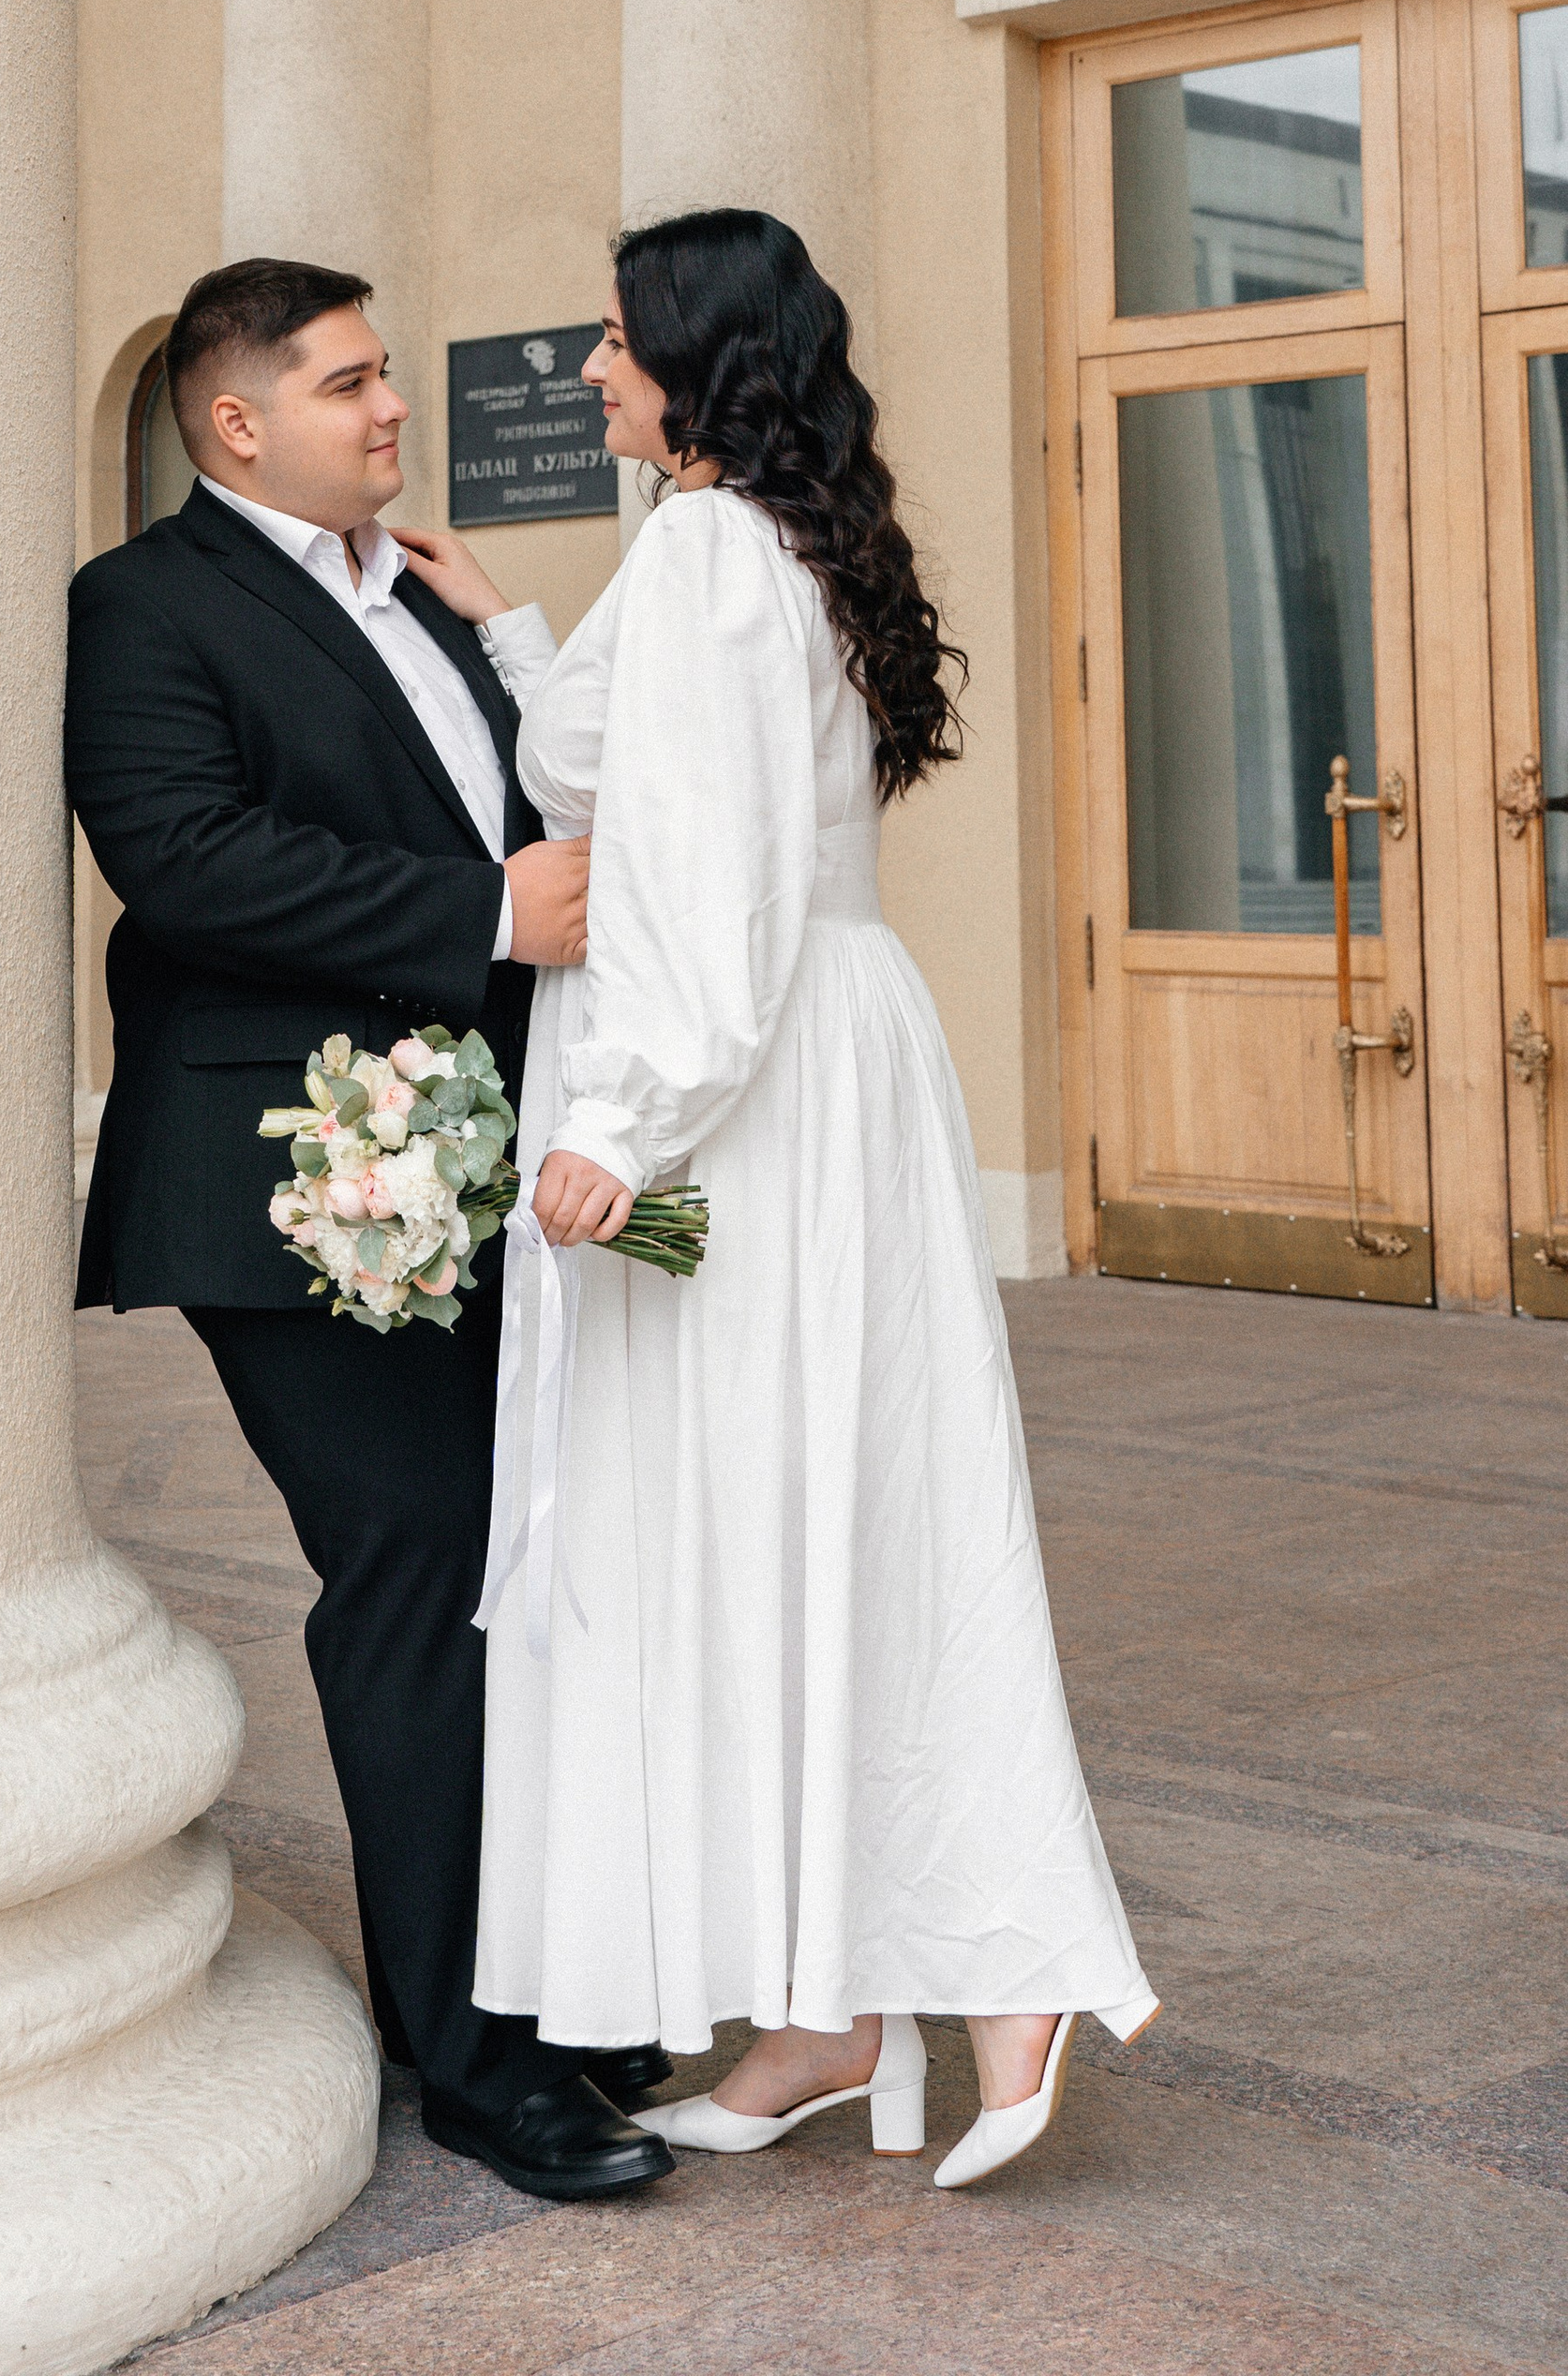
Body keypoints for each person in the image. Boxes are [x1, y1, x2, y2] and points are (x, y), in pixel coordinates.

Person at [421, 209, 1156, 2192]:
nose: (584, 367)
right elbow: (590, 758)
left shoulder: (711, 559)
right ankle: (830, 2008)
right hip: (819, 1063)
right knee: (819, 1525)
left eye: (610, 337)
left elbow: (709, 882)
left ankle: (993, 1962)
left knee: (787, 1530)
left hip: (734, 1092)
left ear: (693, 356)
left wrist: (622, 1126)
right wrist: (498, 616)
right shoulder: (780, 547)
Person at [66, 256, 675, 2202]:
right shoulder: (145, 605)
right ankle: (475, 2058)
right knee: (414, 1570)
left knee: (528, 1562)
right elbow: (180, 859)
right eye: (347, 383)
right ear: (235, 421)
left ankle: (533, 1981)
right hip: (285, 1181)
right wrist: (489, 917)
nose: (391, 406)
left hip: (488, 1164)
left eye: (389, 373)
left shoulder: (418, 587)